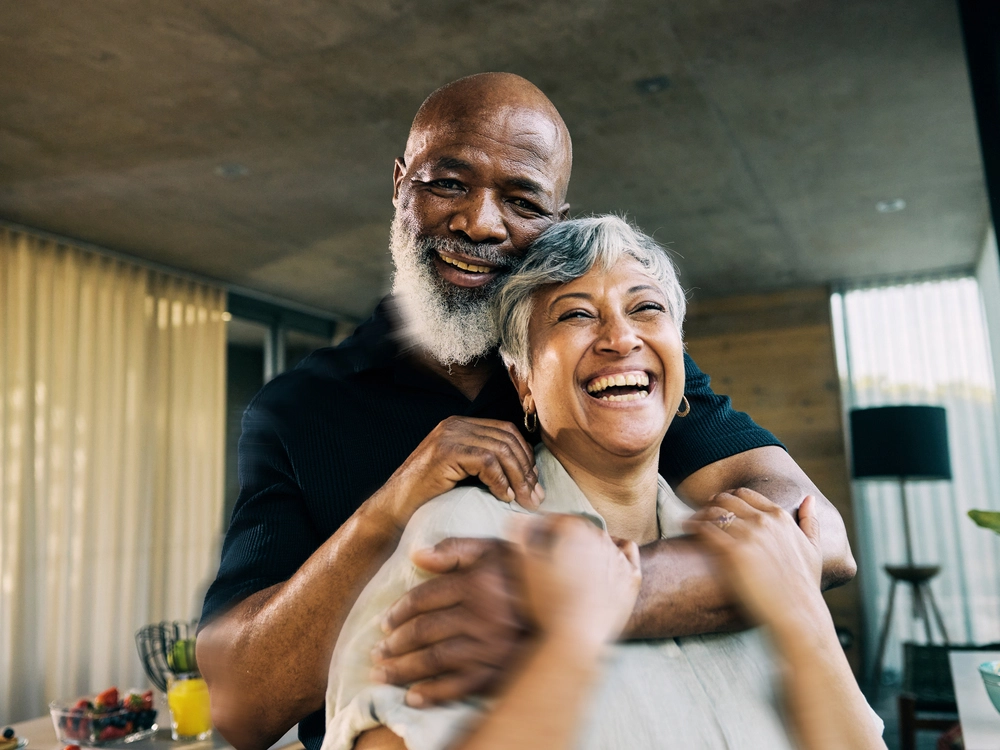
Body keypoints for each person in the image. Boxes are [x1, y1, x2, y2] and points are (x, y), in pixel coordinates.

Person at [196, 73, 857, 750]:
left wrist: (549, 604)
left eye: (521, 200)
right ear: (400, 186)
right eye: (448, 183)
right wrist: (384, 515)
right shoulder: (299, 409)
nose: (480, 222)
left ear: (554, 222)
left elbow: (817, 539)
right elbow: (240, 705)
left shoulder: (606, 374)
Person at [324, 215, 884, 750]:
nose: (621, 338)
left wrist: (802, 613)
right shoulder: (459, 535)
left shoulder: (749, 537)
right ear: (523, 381)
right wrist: (568, 642)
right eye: (575, 315)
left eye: (645, 309)